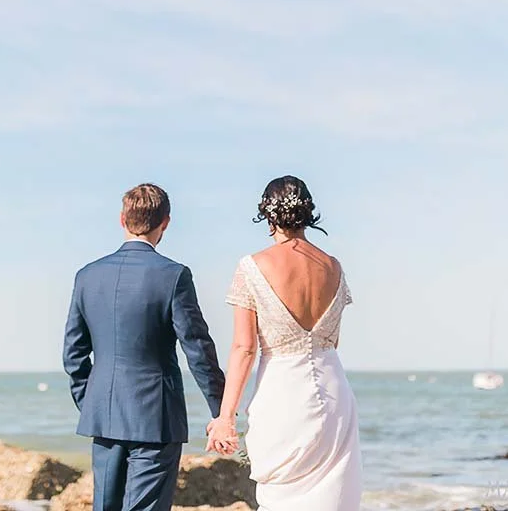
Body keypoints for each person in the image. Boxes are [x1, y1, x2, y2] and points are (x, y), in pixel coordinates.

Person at [64, 183, 227, 511]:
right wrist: (221, 409)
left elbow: (74, 352)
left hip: (104, 416)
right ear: (165, 222)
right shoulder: (174, 276)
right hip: (157, 416)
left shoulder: (87, 276)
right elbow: (196, 347)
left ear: (122, 219)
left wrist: (91, 402)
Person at [207, 175, 363, 511]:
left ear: (268, 214)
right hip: (334, 389)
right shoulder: (333, 267)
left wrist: (225, 416)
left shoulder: (252, 266)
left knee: (281, 497)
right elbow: (333, 339)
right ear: (307, 213)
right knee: (335, 492)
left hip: (282, 391)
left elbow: (244, 348)